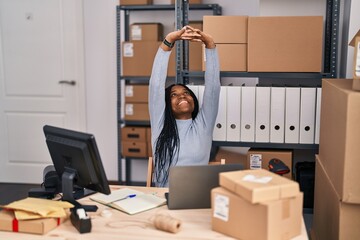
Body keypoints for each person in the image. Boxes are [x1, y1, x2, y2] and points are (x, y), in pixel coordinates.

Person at [149, 25, 220, 187]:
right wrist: (169, 41)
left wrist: (210, 45)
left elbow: (213, 88)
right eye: (174, 95)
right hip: (163, 199)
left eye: (186, 93)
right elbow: (155, 85)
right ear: (166, 104)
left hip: (197, 198)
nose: (182, 96)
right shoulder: (160, 126)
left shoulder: (204, 125)